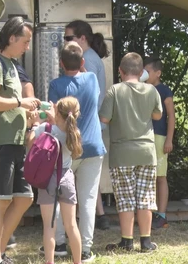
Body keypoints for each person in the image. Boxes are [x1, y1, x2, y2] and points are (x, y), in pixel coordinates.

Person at [0, 16, 40, 264]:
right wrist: (19, 103)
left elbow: (10, 103)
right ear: (12, 38)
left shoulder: (11, 64)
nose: (27, 47)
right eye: (25, 42)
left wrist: (29, 111)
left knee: (25, 198)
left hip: (14, 141)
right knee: (0, 203)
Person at [43, 41, 106, 262]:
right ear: (81, 62)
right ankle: (86, 249)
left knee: (61, 197)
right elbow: (86, 75)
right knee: (87, 199)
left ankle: (59, 243)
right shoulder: (91, 79)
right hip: (92, 146)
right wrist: (80, 63)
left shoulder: (55, 84)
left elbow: (52, 114)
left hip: (66, 149)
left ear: (60, 64)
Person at [99, 52, 162, 252]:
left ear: (120, 71)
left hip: (122, 152)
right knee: (145, 197)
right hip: (146, 151)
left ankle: (126, 241)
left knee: (125, 198)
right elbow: (157, 115)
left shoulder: (114, 91)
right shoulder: (152, 90)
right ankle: (146, 241)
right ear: (141, 71)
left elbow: (104, 119)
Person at [64, 19, 110, 231]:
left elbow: (83, 97)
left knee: (78, 178)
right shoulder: (92, 57)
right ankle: (100, 216)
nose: (65, 42)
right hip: (93, 126)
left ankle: (77, 223)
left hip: (86, 125)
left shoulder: (88, 61)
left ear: (82, 38)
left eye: (68, 38)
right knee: (89, 178)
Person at [27, 96, 83, 264]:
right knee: (71, 225)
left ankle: (49, 261)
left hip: (48, 179)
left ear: (57, 112)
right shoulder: (73, 132)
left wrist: (35, 124)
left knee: (49, 227)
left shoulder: (46, 128)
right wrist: (55, 116)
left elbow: (29, 144)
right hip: (66, 178)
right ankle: (78, 261)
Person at [144, 56, 175, 229]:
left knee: (160, 177)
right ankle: (150, 213)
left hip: (160, 137)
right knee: (148, 176)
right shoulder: (142, 89)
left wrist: (169, 139)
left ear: (158, 73)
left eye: (147, 72)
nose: (144, 74)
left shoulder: (164, 90)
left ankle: (161, 215)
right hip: (144, 137)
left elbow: (171, 116)